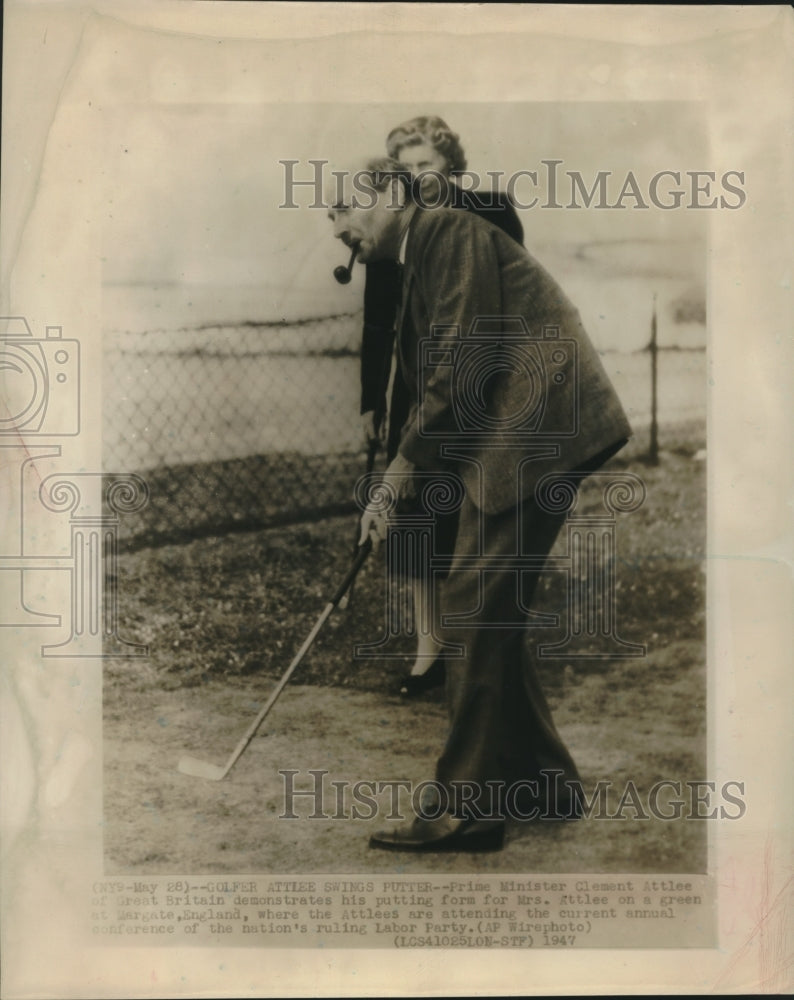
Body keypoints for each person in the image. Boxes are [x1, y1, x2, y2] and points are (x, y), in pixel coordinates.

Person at [328, 158, 631, 852]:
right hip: (517, 434)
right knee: (488, 604)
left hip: (535, 429)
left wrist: (402, 470)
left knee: (470, 601)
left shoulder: (449, 231)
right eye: (329, 217)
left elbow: (465, 357)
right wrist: (393, 484)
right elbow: (435, 377)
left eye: (345, 207)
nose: (338, 226)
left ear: (393, 196)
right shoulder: (417, 256)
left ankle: (465, 807)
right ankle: (543, 781)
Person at [358, 115, 523, 697]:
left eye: (424, 164)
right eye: (404, 169)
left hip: (478, 388)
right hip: (418, 392)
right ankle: (429, 654)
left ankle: (474, 655)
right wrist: (371, 398)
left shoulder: (490, 210)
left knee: (475, 525)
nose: (414, 178)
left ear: (451, 165)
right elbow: (379, 322)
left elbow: (502, 306)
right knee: (419, 526)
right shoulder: (390, 228)